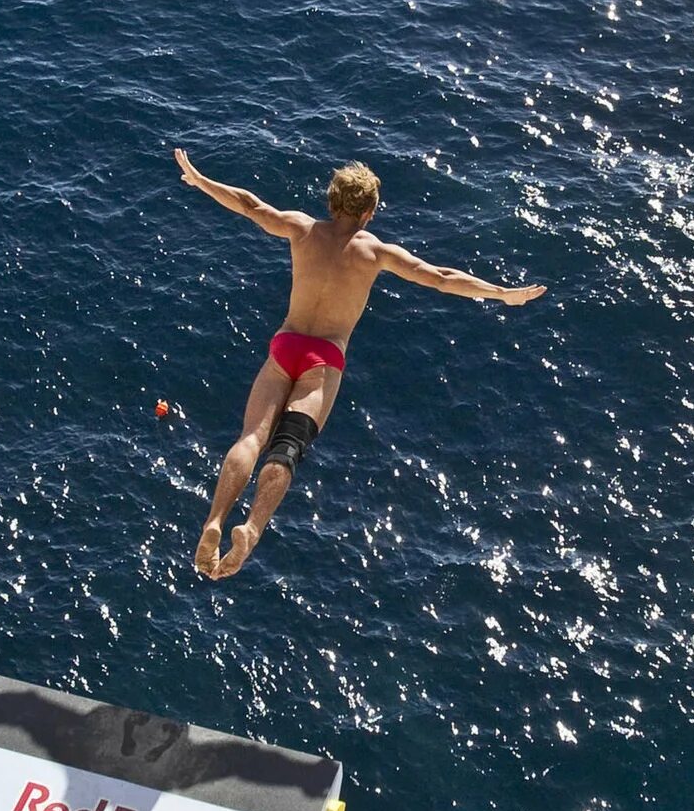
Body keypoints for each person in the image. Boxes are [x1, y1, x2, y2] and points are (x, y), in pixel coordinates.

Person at [174, 149, 543, 579]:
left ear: (331, 202)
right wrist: (502, 293)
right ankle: (251, 530)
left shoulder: (303, 229)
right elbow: (441, 277)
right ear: (369, 211)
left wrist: (201, 180)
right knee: (287, 447)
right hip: (323, 360)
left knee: (251, 439)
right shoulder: (376, 253)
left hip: (285, 346)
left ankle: (214, 520)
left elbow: (250, 204)